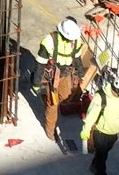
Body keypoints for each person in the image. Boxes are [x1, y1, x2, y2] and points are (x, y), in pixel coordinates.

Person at [35, 16, 89, 146]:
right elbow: (40, 64)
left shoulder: (75, 41)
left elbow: (77, 59)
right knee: (53, 105)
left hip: (65, 74)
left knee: (65, 96)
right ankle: (50, 130)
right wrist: (36, 83)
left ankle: (46, 98)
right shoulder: (49, 42)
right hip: (52, 76)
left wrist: (81, 74)